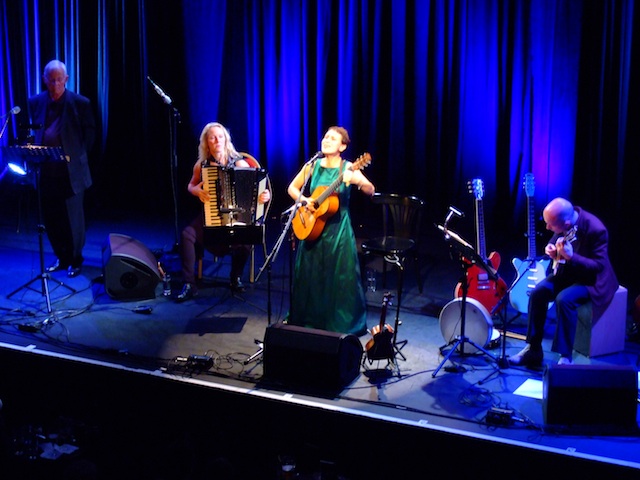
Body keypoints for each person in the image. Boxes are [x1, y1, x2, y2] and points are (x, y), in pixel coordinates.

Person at [285, 126, 375, 336]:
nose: (326, 140)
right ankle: (308, 320)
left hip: (338, 231)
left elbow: (371, 190)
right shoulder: (313, 166)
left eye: (332, 138)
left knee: (340, 278)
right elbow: (292, 188)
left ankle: (339, 324)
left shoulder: (350, 167)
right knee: (311, 275)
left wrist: (358, 181)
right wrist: (305, 200)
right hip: (313, 229)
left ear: (342, 146)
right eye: (325, 137)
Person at [509, 197, 618, 366]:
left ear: (566, 224)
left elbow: (599, 266)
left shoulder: (596, 229)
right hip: (568, 272)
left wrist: (572, 257)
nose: (547, 227)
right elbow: (557, 236)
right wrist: (551, 248)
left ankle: (565, 356)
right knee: (538, 293)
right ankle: (533, 349)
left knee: (564, 299)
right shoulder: (564, 220)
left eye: (550, 225)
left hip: (591, 280)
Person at [177, 122, 270, 301]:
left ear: (226, 140)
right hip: (211, 214)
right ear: (207, 142)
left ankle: (235, 277)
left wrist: (263, 195)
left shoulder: (240, 163)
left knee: (245, 241)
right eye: (212, 137)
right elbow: (190, 185)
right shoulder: (202, 165)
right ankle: (189, 284)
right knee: (187, 235)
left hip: (236, 216)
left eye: (220, 136)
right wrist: (195, 190)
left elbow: (257, 189)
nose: (217, 140)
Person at [28, 59, 96, 277]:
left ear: (66, 79)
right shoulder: (36, 102)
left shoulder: (80, 103)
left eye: (59, 80)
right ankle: (62, 256)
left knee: (72, 219)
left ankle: (76, 260)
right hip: (46, 170)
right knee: (52, 218)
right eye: (51, 80)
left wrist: (76, 156)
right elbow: (37, 130)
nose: (55, 84)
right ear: (44, 80)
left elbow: (90, 134)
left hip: (71, 172)